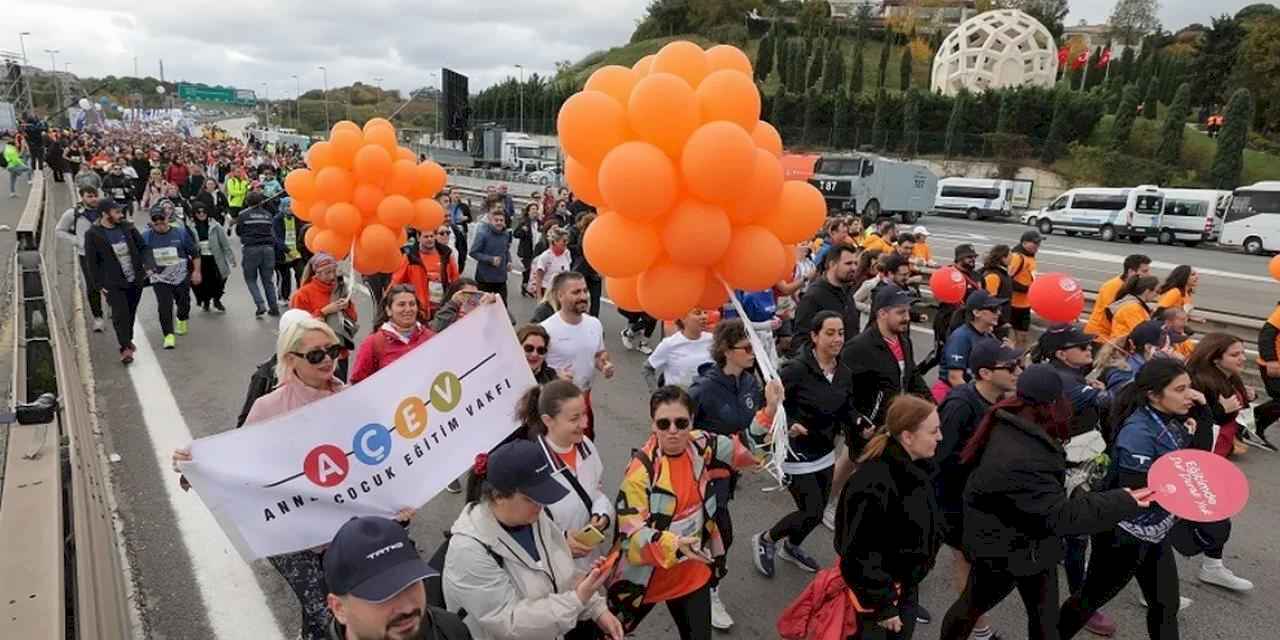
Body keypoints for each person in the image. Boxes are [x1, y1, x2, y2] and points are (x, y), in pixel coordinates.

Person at [175, 318, 411, 639]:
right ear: (291, 359)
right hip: (290, 536)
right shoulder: (269, 407)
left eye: (333, 351)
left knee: (331, 610)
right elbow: (239, 463)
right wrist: (196, 469)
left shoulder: (352, 399)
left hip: (341, 529)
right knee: (326, 614)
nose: (328, 360)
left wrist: (401, 499)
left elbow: (380, 457)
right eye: (315, 355)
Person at [937, 364, 1153, 640]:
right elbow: (1060, 516)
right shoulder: (1023, 455)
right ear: (1052, 404)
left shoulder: (1012, 421)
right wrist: (1122, 500)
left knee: (1039, 621)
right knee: (973, 606)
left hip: (1029, 544)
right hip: (1006, 550)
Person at [1056, 359, 1215, 640]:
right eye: (1180, 389)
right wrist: (1189, 495)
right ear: (1153, 395)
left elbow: (1198, 459)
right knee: (1090, 599)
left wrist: (1203, 412)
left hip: (1154, 529)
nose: (1190, 395)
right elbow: (1139, 492)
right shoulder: (1138, 432)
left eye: (1190, 387)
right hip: (1123, 532)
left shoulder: (1172, 418)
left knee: (1165, 605)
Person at [610, 384, 781, 639]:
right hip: (645, 579)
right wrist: (674, 545)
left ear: (691, 421)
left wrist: (769, 411)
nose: (673, 431)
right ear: (653, 425)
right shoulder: (641, 472)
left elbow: (744, 450)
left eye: (681, 423)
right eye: (664, 424)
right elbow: (630, 537)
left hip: (692, 571)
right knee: (606, 633)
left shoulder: (701, 444)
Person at [443, 440, 624, 640]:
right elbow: (509, 623)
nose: (541, 505)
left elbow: (561, 573)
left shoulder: (534, 518)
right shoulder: (468, 550)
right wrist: (578, 599)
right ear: (498, 496)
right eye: (531, 498)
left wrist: (596, 608)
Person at [755, 311, 863, 578]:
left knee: (819, 508)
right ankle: (766, 539)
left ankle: (791, 546)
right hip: (795, 452)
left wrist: (860, 422)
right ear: (814, 336)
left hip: (825, 451)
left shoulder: (844, 373)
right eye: (830, 333)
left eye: (841, 333)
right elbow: (768, 401)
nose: (837, 339)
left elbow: (846, 408)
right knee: (811, 510)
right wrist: (789, 423)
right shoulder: (795, 370)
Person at [934, 342, 1023, 640]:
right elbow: (939, 457)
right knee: (962, 561)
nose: (1018, 371)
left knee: (966, 562)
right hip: (951, 501)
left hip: (976, 500)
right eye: (1011, 367)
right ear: (985, 373)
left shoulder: (1001, 400)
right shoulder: (961, 405)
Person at [835, 395, 942, 640]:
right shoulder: (874, 483)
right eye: (933, 431)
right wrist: (884, 606)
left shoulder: (918, 469)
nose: (940, 437)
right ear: (908, 437)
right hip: (880, 599)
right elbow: (858, 553)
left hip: (903, 587)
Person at [687, 319, 763, 630]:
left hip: (727, 476)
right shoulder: (703, 390)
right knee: (722, 535)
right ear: (726, 351)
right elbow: (679, 432)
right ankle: (708, 590)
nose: (753, 353)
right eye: (747, 348)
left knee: (707, 535)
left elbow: (751, 426)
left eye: (753, 347)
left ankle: (694, 580)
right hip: (701, 478)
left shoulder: (750, 383)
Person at [839, 288, 932, 516]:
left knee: (872, 476)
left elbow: (911, 376)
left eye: (907, 311)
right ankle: (843, 513)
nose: (907, 317)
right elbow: (841, 390)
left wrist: (931, 404)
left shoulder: (904, 340)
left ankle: (835, 504)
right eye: (900, 312)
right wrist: (858, 422)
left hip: (894, 424)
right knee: (866, 480)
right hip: (869, 430)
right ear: (882, 313)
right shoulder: (859, 347)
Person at [1179, 334, 1255, 590]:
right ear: (1215, 358)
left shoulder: (1229, 377)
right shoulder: (1197, 382)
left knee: (1217, 511)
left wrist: (1247, 398)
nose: (1242, 358)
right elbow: (1189, 422)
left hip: (1217, 455)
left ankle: (1212, 566)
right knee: (1176, 516)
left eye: (1242, 352)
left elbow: (1236, 411)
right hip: (1195, 458)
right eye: (1235, 354)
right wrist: (1221, 410)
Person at [514, 380, 614, 570]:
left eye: (584, 414)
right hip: (553, 573)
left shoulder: (586, 446)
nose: (584, 423)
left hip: (591, 564)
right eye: (574, 419)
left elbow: (596, 491)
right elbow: (521, 530)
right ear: (548, 420)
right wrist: (561, 543)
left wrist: (601, 514)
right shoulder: (532, 467)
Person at [324, 516, 471, 640]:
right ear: (339, 608)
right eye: (382, 594)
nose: (407, 608)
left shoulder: (449, 628)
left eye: (412, 583)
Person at [540, 272, 614, 440]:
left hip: (584, 402)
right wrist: (555, 375)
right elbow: (532, 367)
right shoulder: (546, 329)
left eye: (585, 291)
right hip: (557, 406)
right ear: (560, 296)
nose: (583, 296)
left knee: (585, 446)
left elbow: (598, 354)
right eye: (576, 292)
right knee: (560, 451)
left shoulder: (594, 324)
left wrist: (604, 365)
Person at [84, 199, 148, 364]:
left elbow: (143, 247)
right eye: (117, 212)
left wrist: (147, 265)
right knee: (120, 314)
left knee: (130, 312)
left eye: (121, 212)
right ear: (105, 214)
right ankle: (125, 348)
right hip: (113, 282)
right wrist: (98, 284)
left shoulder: (128, 227)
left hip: (135, 279)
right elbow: (92, 262)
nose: (121, 215)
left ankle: (128, 339)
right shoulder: (93, 234)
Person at [292, 252, 359, 381]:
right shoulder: (302, 294)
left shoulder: (340, 289)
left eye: (334, 271)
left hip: (339, 352)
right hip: (316, 356)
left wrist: (347, 306)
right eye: (327, 272)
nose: (332, 276)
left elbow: (353, 318)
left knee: (339, 387)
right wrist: (324, 311)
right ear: (316, 273)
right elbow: (298, 326)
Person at [349, 284, 435, 384]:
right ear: (389, 310)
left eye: (412, 304)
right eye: (401, 304)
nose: (408, 309)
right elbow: (358, 382)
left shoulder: (431, 338)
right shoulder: (373, 343)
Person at [142, 206, 202, 349]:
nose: (159, 222)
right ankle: (168, 335)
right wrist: (147, 267)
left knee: (184, 302)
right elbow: (141, 256)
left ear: (167, 218)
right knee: (164, 305)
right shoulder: (146, 236)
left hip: (180, 275)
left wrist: (196, 272)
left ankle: (182, 318)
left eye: (161, 218)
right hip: (160, 278)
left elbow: (195, 254)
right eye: (155, 220)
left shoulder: (180, 233)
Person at [56, 185, 106, 331]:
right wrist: (77, 241)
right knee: (92, 286)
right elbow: (59, 231)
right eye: (89, 196)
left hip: (107, 253)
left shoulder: (104, 211)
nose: (93, 199)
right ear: (82, 197)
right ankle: (98, 317)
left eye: (95, 195)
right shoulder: (73, 213)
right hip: (86, 255)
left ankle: (113, 308)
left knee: (111, 283)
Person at [793, 244, 859, 353]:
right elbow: (801, 340)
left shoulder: (846, 290)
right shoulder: (814, 296)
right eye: (848, 263)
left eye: (855, 263)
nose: (854, 268)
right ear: (832, 264)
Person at [391, 224, 460, 321]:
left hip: (442, 306)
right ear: (418, 238)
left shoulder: (445, 254)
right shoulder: (411, 257)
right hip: (420, 308)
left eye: (432, 236)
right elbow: (396, 282)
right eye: (426, 237)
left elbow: (455, 279)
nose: (430, 239)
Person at [940, 291, 1007, 389]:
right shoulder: (960, 337)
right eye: (993, 309)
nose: (998, 313)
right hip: (953, 392)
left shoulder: (989, 336)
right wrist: (974, 396)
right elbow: (955, 378)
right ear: (976, 313)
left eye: (999, 308)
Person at [643, 307, 713, 391]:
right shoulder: (669, 344)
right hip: (679, 397)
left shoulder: (712, 340)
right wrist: (656, 394)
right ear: (683, 318)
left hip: (707, 397)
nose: (704, 316)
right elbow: (647, 368)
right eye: (697, 313)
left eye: (705, 312)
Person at [237, 192, 284, 316]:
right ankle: (274, 307)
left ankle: (260, 304)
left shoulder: (243, 215)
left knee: (250, 279)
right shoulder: (268, 215)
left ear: (247, 202)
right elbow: (272, 233)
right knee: (268, 280)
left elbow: (239, 231)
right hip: (268, 249)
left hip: (251, 249)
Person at [1085, 255, 1152, 341]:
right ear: (1131, 271)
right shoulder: (1112, 287)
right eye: (1145, 271)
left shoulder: (1128, 286)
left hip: (1111, 335)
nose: (1149, 274)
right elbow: (1111, 314)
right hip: (1100, 336)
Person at [187, 201, 235, 313]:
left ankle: (217, 299)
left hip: (215, 258)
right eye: (198, 212)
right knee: (202, 283)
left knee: (220, 280)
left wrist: (231, 258)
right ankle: (206, 301)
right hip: (200, 259)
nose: (201, 214)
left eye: (203, 212)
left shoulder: (215, 226)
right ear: (194, 214)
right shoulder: (190, 227)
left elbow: (225, 243)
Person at [469, 206, 513, 303]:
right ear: (490, 221)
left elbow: (506, 250)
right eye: (496, 220)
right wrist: (490, 259)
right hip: (485, 278)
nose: (499, 223)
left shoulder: (506, 234)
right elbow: (473, 252)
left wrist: (509, 261)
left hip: (501, 278)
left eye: (501, 220)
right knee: (483, 306)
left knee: (501, 305)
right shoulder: (483, 234)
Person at [1008, 230, 1041, 348]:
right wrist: (1027, 289)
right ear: (1024, 243)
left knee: (1023, 338)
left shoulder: (1030, 257)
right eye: (1035, 243)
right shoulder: (1017, 257)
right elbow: (1008, 279)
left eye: (1039, 243)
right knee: (1011, 337)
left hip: (1025, 304)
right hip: (1013, 305)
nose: (1037, 246)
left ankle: (1019, 358)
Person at [1106, 276, 1160, 343]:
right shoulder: (1133, 308)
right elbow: (1143, 333)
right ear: (1147, 291)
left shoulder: (1135, 305)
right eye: (1157, 291)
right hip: (1122, 346)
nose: (1157, 295)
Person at [273, 197, 306, 301]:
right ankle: (283, 297)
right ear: (282, 207)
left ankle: (301, 296)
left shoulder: (298, 218)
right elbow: (277, 238)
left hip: (297, 253)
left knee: (302, 274)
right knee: (284, 277)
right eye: (287, 206)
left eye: (292, 206)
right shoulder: (277, 219)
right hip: (282, 254)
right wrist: (287, 250)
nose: (290, 208)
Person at [528, 226, 572, 302]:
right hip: (548, 292)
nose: (566, 243)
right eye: (564, 241)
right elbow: (538, 278)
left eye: (567, 241)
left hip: (562, 291)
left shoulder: (567, 253)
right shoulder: (545, 256)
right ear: (555, 242)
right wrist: (539, 298)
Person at [980, 244, 1013, 332]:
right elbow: (989, 302)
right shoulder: (994, 276)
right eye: (1010, 255)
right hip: (995, 323)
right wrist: (1002, 321)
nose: (1012, 257)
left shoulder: (1002, 273)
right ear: (1003, 258)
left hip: (999, 321)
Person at [513, 201, 542, 295]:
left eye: (536, 209)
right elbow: (516, 234)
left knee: (535, 270)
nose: (535, 211)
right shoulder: (524, 222)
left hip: (537, 250)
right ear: (528, 211)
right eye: (533, 209)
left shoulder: (539, 223)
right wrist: (523, 230)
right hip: (526, 251)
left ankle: (530, 288)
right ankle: (525, 286)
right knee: (528, 270)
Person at [445, 190, 472, 272]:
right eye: (454, 193)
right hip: (449, 229)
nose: (457, 195)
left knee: (461, 248)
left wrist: (466, 218)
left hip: (461, 230)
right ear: (450, 195)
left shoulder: (463, 206)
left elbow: (470, 218)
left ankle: (459, 266)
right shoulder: (447, 206)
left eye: (458, 193)